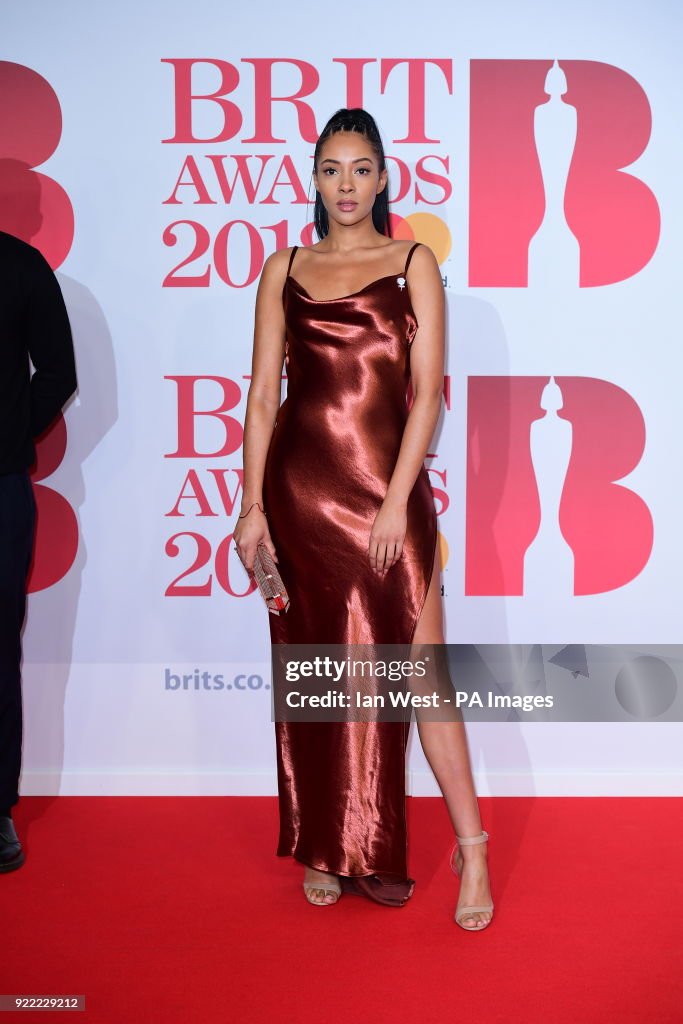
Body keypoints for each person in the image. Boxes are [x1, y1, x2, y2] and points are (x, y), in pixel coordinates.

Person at [234, 109, 493, 930]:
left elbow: (425, 398)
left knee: (423, 679)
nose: (344, 185)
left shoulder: (413, 262)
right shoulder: (283, 267)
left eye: (359, 169)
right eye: (329, 169)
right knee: (316, 678)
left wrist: (392, 504)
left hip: (386, 499)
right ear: (313, 179)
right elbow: (261, 397)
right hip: (300, 500)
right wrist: (250, 507)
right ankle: (324, 846)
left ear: (383, 178)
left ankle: (473, 847)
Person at [0, 229, 77, 872]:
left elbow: (59, 371)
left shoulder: (19, 264)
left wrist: (8, 434)